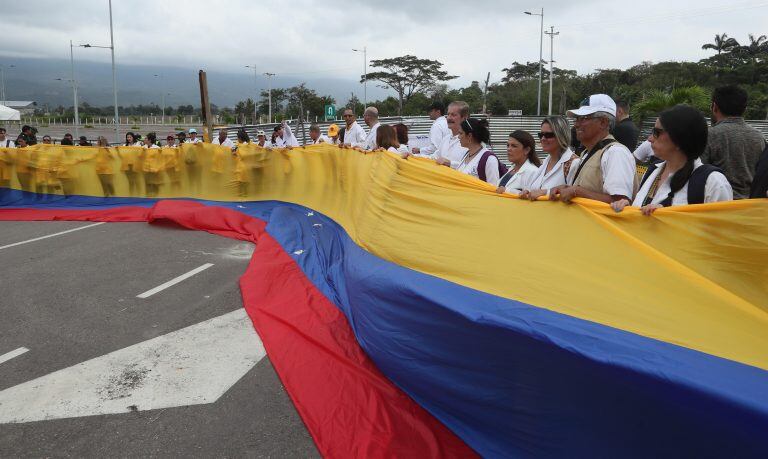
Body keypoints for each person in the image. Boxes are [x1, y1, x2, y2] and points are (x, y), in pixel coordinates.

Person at [612, 105, 732, 214]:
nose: (649, 139)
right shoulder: (652, 171)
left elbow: (720, 234)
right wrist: (629, 209)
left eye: (656, 132)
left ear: (679, 138)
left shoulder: (713, 183)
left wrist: (668, 217)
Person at [550, 94, 636, 204]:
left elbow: (619, 203)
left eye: (583, 118)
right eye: (576, 119)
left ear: (603, 122)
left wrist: (577, 191)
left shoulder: (616, 152)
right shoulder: (587, 153)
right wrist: (566, 188)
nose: (576, 124)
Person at [700, 85, 766, 199]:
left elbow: (698, 172)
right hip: (752, 207)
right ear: (745, 109)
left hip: (718, 204)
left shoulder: (709, 135)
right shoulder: (759, 137)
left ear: (714, 107)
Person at [521, 116, 580, 200]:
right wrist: (527, 192)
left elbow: (574, 196)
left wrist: (545, 192)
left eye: (548, 135)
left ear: (561, 136)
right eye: (541, 135)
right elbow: (533, 190)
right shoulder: (545, 162)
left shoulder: (573, 163)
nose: (543, 139)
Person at [409, 101, 470, 169]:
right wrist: (412, 156)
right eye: (448, 114)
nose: (449, 118)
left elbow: (473, 166)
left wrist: (450, 163)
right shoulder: (446, 139)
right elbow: (434, 157)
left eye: (453, 115)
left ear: (464, 118)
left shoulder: (471, 141)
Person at [455, 118, 505, 184]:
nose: (458, 137)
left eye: (461, 133)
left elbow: (493, 188)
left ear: (469, 136)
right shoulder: (466, 155)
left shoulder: (489, 159)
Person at [142, 132, 163, 197]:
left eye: (146, 138)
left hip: (154, 168)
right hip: (146, 168)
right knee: (147, 182)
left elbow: (160, 157)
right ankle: (147, 195)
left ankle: (156, 195)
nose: (144, 139)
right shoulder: (143, 148)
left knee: (155, 183)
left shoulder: (156, 148)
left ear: (149, 140)